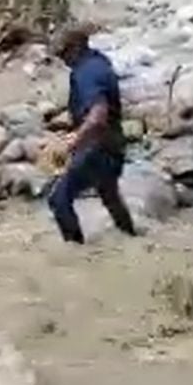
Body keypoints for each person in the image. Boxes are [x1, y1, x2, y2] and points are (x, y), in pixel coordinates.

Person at [46, 23, 137, 243]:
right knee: (109, 195)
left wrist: (74, 141)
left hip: (98, 148)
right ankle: (132, 238)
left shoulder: (86, 73)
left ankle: (76, 250)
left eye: (64, 53)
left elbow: (98, 116)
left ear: (76, 47)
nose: (63, 60)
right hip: (114, 145)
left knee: (58, 198)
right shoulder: (99, 62)